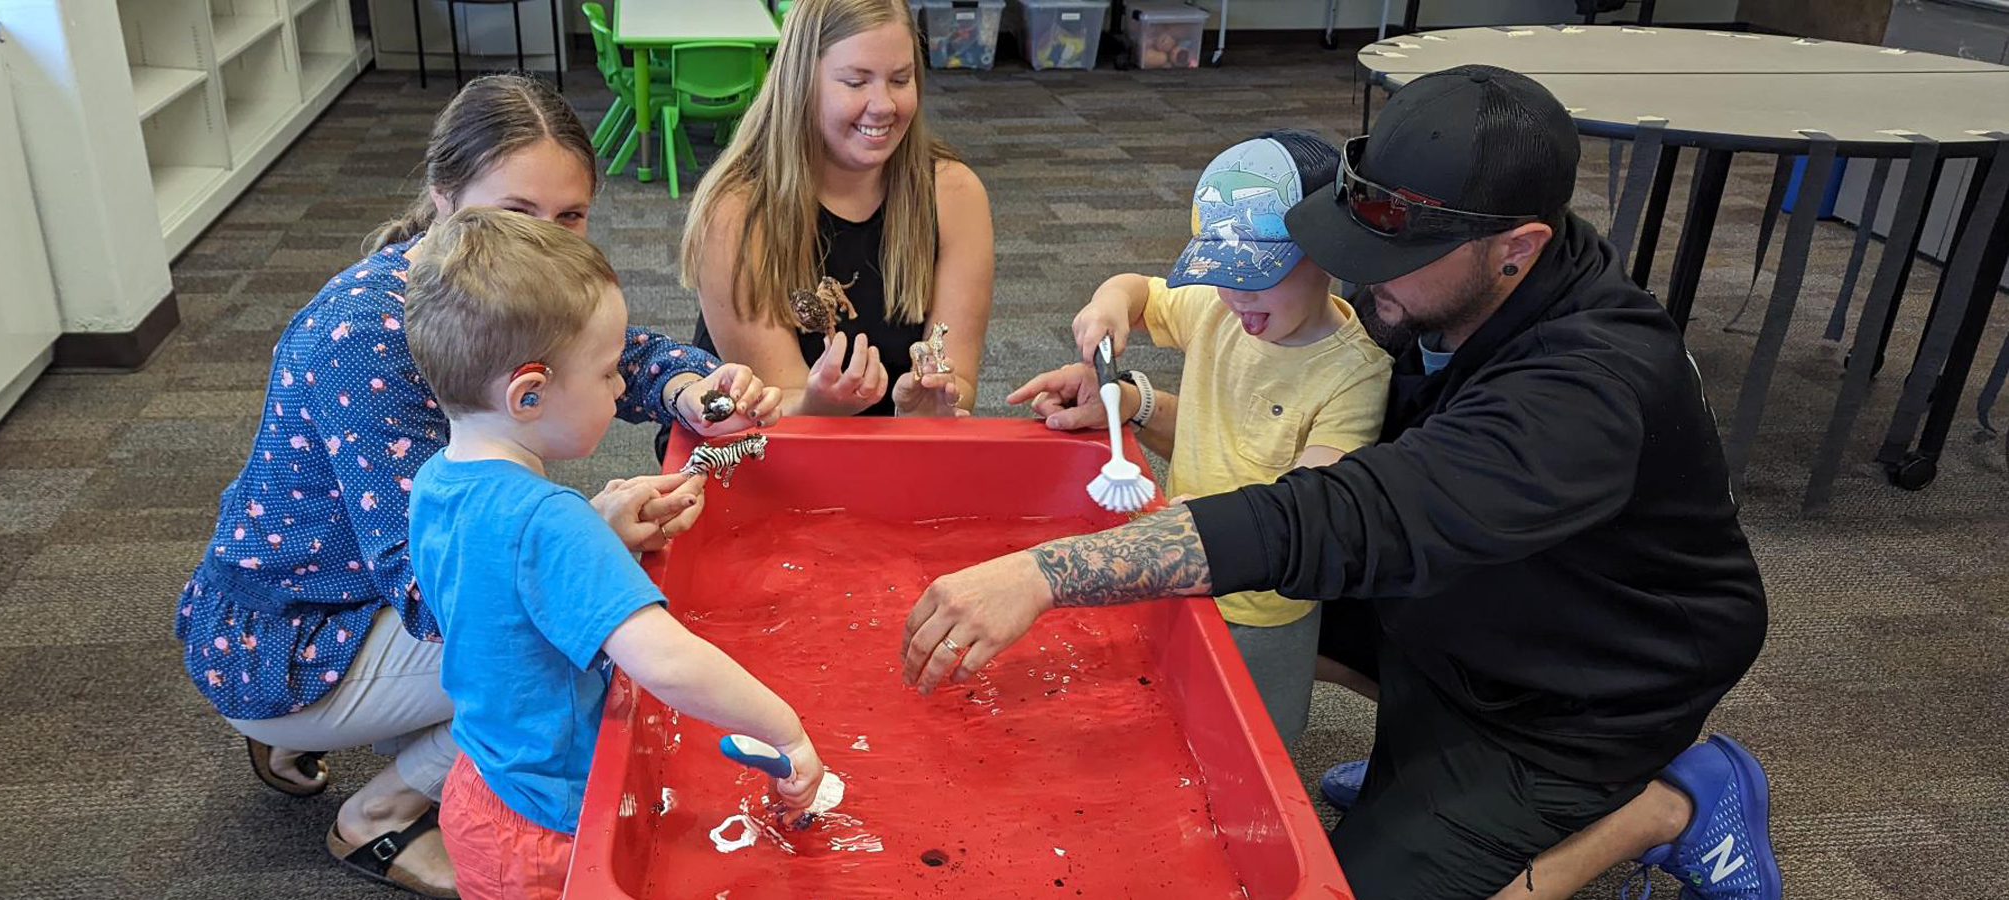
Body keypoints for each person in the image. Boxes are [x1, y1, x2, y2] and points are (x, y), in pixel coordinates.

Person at [895, 66, 1779, 900]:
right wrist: (1138, 401)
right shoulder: (1443, 285)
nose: (1361, 275)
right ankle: (1422, 751)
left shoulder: (1586, 393)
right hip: (1466, 588)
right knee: (1217, 622)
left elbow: (1335, 515)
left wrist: (1047, 572)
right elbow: (1287, 456)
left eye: (1397, 252)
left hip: (1577, 693)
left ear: (1517, 247)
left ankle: (1675, 802)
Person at [173, 74, 779, 897]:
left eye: (571, 217)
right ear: (442, 198)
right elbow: (441, 594)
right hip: (284, 635)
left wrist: (688, 388)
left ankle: (315, 730)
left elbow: (612, 350)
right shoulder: (362, 341)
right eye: (515, 214)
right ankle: (377, 816)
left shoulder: (465, 285)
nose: (551, 241)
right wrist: (586, 545)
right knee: (553, 647)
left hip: (334, 592)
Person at [403, 208, 824, 900]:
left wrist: (596, 543)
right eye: (605, 374)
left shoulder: (435, 482)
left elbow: (500, 592)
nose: (624, 387)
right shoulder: (548, 521)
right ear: (528, 393)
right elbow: (668, 663)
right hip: (552, 824)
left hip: (480, 787)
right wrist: (786, 729)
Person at [1005, 131, 1390, 748]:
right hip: (1184, 566)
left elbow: (1314, 499)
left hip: (1264, 607)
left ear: (1325, 253)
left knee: (1255, 745)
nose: (1239, 295)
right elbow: (1139, 291)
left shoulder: (1354, 373)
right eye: (1224, 273)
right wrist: (1108, 308)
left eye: (1259, 274)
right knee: (1174, 716)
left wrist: (1205, 523)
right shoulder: (1221, 309)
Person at [680, 0, 994, 422]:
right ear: (801, 84)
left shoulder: (955, 195)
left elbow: (959, 383)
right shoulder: (735, 213)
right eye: (855, 82)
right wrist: (819, 404)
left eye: (900, 80)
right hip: (761, 446)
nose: (884, 105)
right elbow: (775, 405)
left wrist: (933, 406)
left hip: (894, 449)